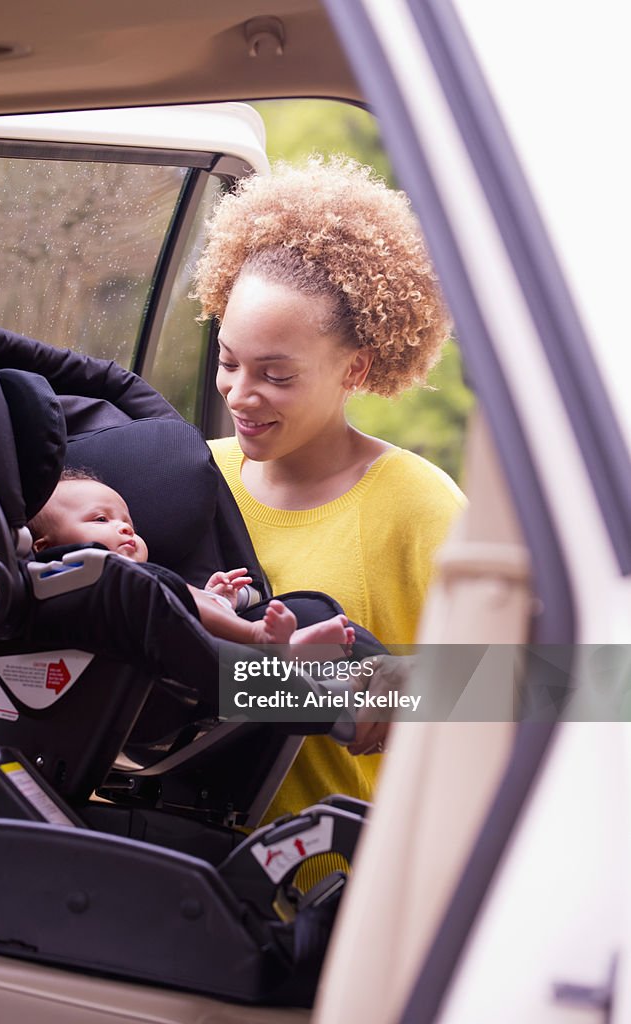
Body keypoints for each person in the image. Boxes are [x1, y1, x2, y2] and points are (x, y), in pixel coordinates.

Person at [193, 156, 466, 817]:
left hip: (332, 890)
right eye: (228, 361)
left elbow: (564, 688)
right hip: (175, 871)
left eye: (276, 376)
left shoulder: (418, 506)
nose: (239, 393)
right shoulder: (192, 478)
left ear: (354, 369)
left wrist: (404, 690)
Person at [28, 469, 355, 650]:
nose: (123, 528)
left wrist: (216, 597)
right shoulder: (67, 580)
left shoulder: (143, 578)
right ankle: (260, 639)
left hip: (196, 647)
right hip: (152, 665)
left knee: (168, 586)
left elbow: (188, 606)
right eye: (100, 520)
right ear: (45, 547)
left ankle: (288, 651)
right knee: (159, 587)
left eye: (128, 522)